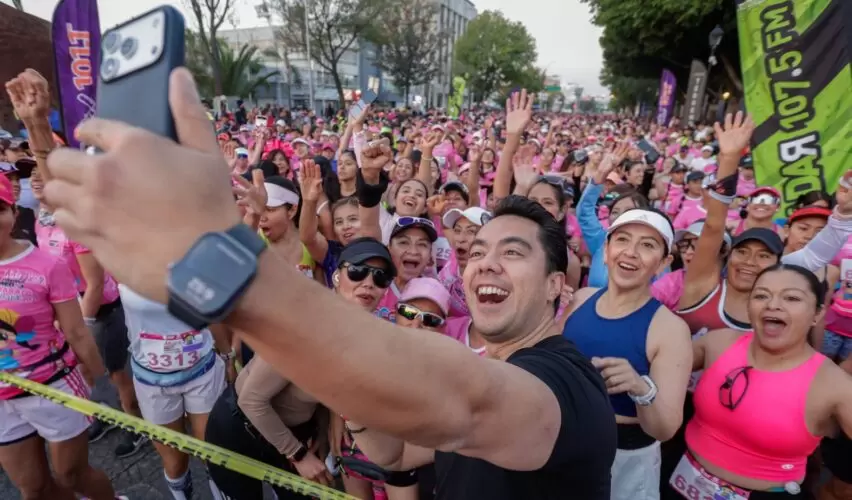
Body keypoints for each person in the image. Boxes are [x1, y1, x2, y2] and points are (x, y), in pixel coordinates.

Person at [40, 77, 619, 498]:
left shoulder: (565, 385)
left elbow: (466, 403)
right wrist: (354, 404)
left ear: (557, 286)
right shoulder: (486, 357)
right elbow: (395, 451)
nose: (485, 263)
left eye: (512, 253)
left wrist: (231, 268)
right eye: (481, 250)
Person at [683, 264, 852, 499]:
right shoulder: (716, 343)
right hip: (680, 480)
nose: (773, 305)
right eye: (761, 295)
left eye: (792, 298)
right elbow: (658, 367)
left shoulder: (834, 384)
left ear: (817, 314)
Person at [0, 164, 118, 499]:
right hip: (3, 401)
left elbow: (76, 331)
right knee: (33, 488)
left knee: (71, 476)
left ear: (13, 212)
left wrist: (98, 380)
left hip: (52, 385)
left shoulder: (46, 265)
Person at [563, 208, 692, 500]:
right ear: (606, 251)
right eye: (622, 239)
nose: (631, 252)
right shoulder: (580, 300)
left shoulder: (670, 330)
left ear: (663, 263)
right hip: (561, 442)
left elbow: (664, 429)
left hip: (624, 463)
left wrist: (640, 388)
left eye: (647, 245)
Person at [119, 284, 232, 500]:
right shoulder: (120, 264)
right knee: (175, 463)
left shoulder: (194, 262)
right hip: (152, 380)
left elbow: (212, 309)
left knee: (213, 456)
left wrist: (228, 354)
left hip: (202, 371)